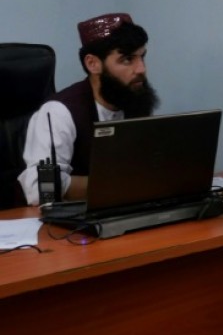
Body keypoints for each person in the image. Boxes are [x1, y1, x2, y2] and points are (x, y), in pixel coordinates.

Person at [17, 13, 158, 205]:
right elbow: (41, 188)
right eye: (127, 59)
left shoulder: (134, 100)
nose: (141, 69)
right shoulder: (59, 112)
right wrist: (118, 185)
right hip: (67, 227)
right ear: (93, 64)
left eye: (142, 57)